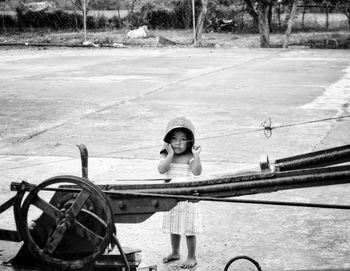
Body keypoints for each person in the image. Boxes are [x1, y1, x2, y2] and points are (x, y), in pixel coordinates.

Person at [158, 117, 202, 269]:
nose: (177, 143)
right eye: (174, 139)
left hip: (188, 198)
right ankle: (175, 252)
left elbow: (197, 172)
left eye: (182, 139)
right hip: (172, 197)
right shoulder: (165, 155)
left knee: (189, 228)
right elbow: (161, 169)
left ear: (189, 142)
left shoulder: (189, 156)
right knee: (174, 225)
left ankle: (192, 256)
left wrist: (196, 156)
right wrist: (169, 155)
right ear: (168, 141)